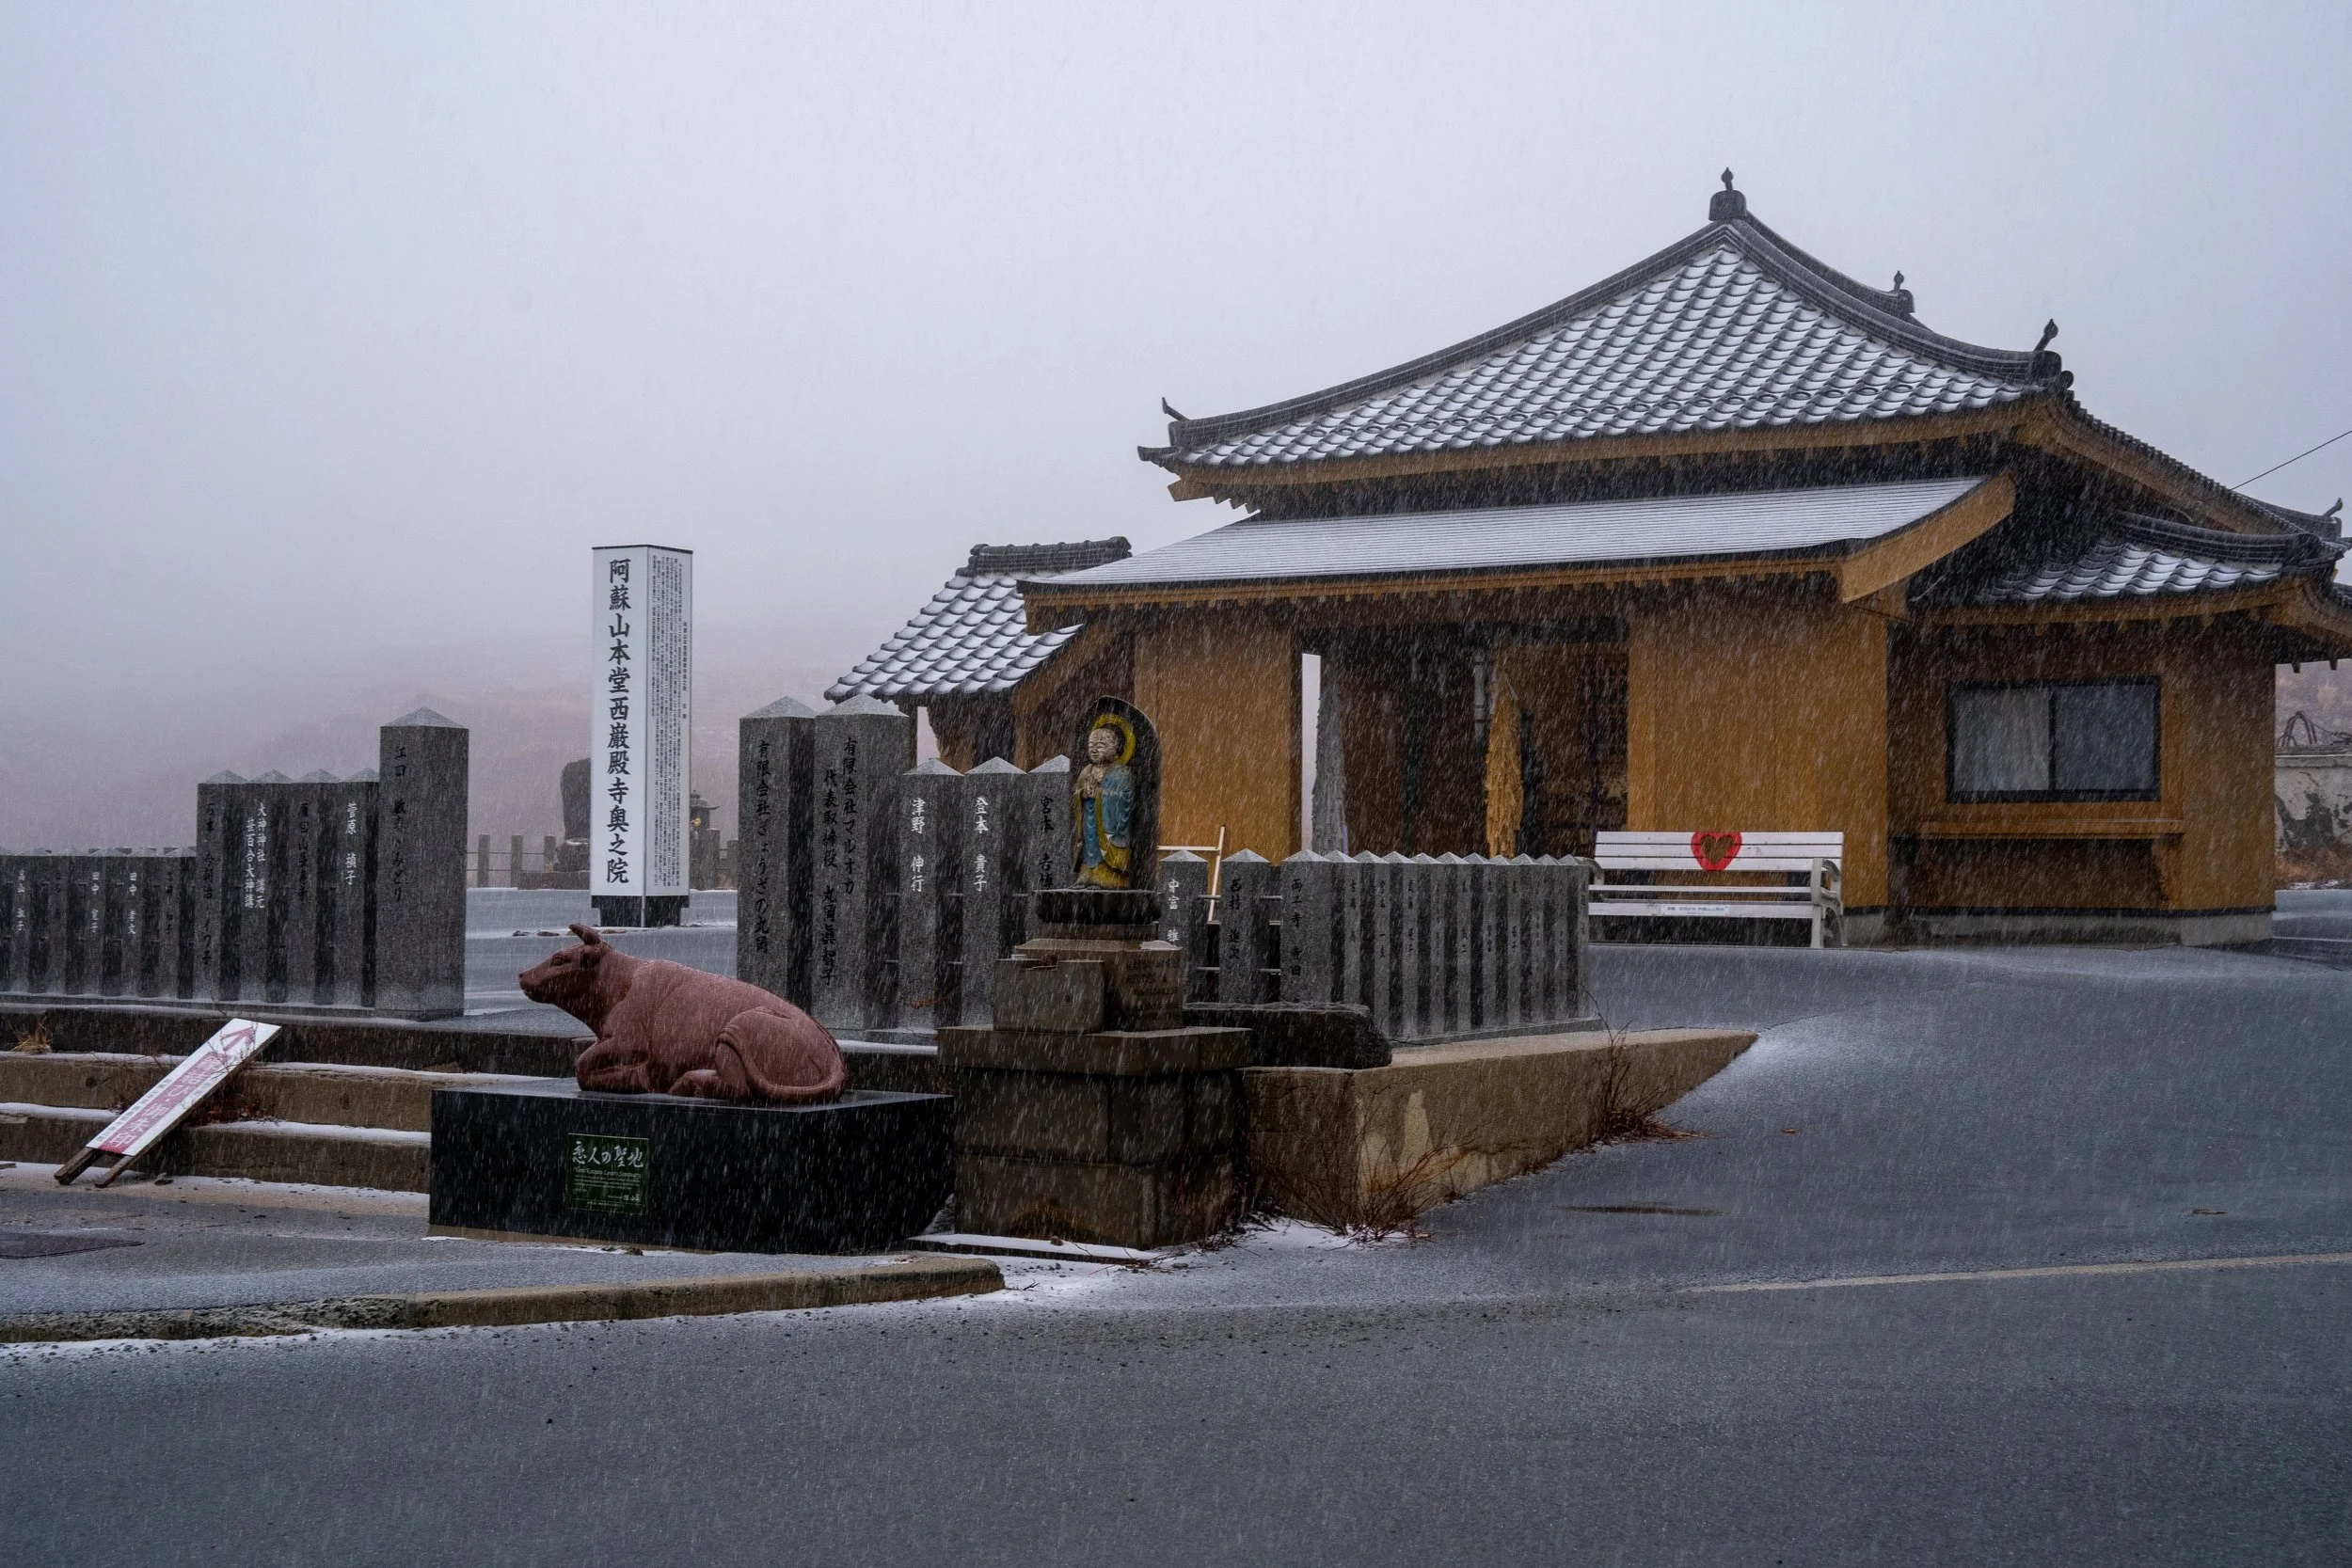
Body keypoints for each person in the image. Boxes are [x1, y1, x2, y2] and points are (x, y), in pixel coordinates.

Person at [1073, 720, 1136, 887]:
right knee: (1089, 845)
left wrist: (1101, 795)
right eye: (1091, 745)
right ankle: (1087, 873)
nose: (1094, 749)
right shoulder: (1086, 771)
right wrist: (1082, 795)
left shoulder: (1121, 772)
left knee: (1105, 847)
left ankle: (1108, 876)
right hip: (1089, 818)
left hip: (1109, 825)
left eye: (1100, 746)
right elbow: (1076, 795)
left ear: (1113, 748)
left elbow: (1126, 800)